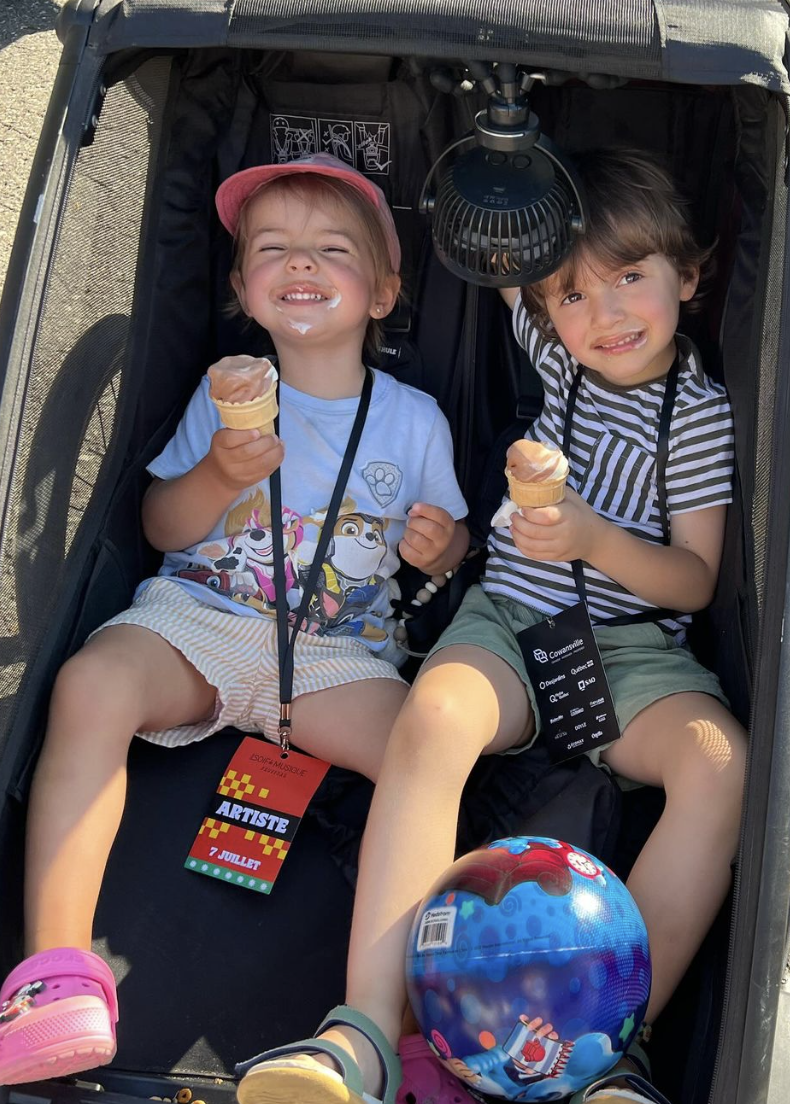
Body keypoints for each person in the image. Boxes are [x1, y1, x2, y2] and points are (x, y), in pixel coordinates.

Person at [235, 149, 746, 1104]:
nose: (607, 316)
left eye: (631, 278)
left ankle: (613, 1054)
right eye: (574, 297)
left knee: (722, 765)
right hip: (511, 616)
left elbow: (693, 582)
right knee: (431, 718)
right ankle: (363, 1036)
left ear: (689, 273)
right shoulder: (562, 352)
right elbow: (504, 244)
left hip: (633, 649)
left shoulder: (700, 419)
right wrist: (501, 140)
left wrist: (592, 538)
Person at [0, 152, 469, 1086]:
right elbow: (158, 525)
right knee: (92, 684)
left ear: (382, 291)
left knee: (431, 754)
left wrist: (438, 548)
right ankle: (55, 976)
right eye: (273, 249)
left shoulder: (413, 421)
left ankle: (405, 1024)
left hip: (339, 655)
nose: (300, 264)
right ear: (245, 288)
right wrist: (218, 474)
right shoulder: (225, 392)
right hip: (204, 618)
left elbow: (452, 548)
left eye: (331, 250)